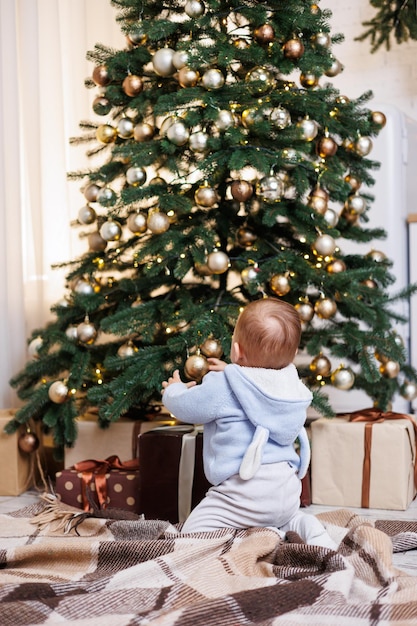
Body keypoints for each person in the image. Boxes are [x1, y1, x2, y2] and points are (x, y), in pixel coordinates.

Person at [161, 297, 336, 549]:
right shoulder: (292, 386)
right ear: (294, 355)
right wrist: (233, 371)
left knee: (191, 533)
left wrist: (173, 391)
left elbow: (188, 408)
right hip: (287, 492)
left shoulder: (221, 386)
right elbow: (255, 381)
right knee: (286, 517)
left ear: (235, 351)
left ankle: (242, 538)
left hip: (244, 494)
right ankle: (301, 525)